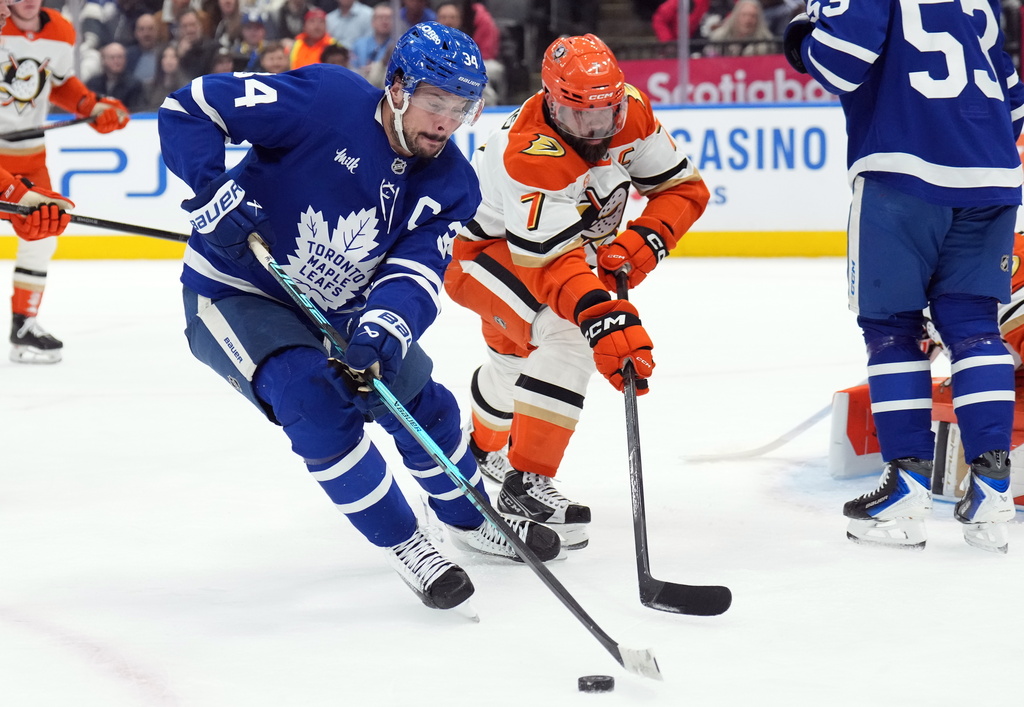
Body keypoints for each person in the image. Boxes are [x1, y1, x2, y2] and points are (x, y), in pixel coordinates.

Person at [157, 21, 559, 611]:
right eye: (435, 101)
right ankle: (406, 543)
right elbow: (189, 107)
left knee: (426, 405)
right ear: (398, 87)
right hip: (236, 291)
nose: (446, 122)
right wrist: (212, 189)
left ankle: (470, 520)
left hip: (344, 308)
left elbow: (415, 273)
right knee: (313, 401)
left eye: (461, 107)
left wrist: (381, 334)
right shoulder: (326, 100)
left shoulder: (453, 184)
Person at [444, 34, 709, 550]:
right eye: (581, 117)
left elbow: (682, 189)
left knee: (513, 367)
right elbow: (548, 265)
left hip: (554, 256)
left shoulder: (628, 112)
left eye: (605, 114)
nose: (596, 130)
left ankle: (478, 448)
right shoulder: (528, 151)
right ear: (551, 101)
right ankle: (526, 481)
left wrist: (637, 247)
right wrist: (602, 317)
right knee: (569, 334)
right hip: (481, 256)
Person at [784, 2, 1024, 552]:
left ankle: (907, 487)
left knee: (892, 330)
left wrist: (799, 36)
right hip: (991, 175)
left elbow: (841, 62)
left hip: (902, 171)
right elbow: (1013, 100)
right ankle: (991, 488)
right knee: (975, 327)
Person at [0, 0, 130, 363]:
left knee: (42, 236)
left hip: (29, 153)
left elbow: (57, 83)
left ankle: (24, 323)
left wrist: (90, 104)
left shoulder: (60, 30)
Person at [435, 1, 501, 104]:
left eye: (452, 17)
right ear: (437, 19)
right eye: (444, 17)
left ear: (459, 20)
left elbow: (483, 56)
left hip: (467, 70)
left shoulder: (466, 40)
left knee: (480, 76)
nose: (448, 21)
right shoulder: (431, 39)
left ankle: (489, 109)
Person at [86, 41, 147, 113]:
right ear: (103, 60)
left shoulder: (134, 85)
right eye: (112, 57)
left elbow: (137, 110)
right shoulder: (93, 83)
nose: (116, 61)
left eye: (120, 57)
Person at [704, 0, 774, 56]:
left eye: (753, 16)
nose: (748, 20)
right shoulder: (719, 38)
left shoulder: (766, 42)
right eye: (744, 15)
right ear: (736, 16)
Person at [142, 43, 189, 109]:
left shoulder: (186, 87)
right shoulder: (150, 87)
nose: (169, 61)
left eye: (173, 57)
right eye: (165, 57)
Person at [350, 0, 392, 72]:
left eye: (388, 18)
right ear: (373, 21)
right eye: (380, 17)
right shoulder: (359, 44)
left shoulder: (398, 45)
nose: (384, 21)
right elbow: (351, 68)